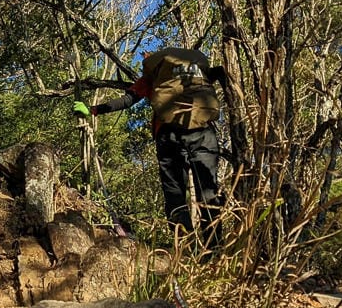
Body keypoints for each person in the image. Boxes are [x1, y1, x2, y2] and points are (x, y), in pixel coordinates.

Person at [74, 47, 227, 250]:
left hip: (168, 135)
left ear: (152, 61)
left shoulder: (154, 76)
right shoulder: (197, 70)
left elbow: (128, 100)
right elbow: (220, 76)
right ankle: (214, 250)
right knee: (208, 191)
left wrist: (93, 110)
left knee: (175, 194)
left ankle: (184, 250)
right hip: (203, 131)